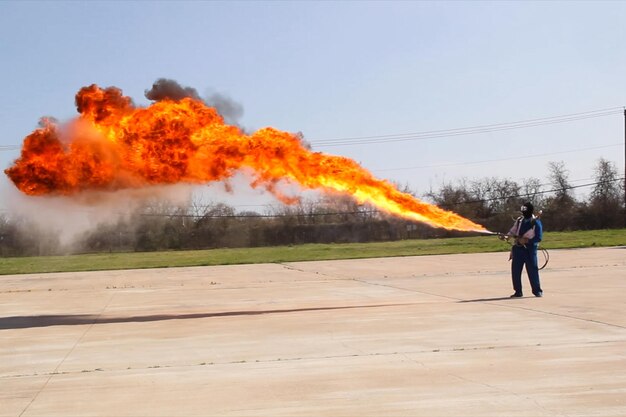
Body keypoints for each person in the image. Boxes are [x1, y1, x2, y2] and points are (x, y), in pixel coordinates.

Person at [507, 202, 543, 298]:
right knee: (515, 271)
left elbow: (538, 237)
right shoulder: (519, 221)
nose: (523, 213)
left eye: (525, 211)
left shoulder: (536, 222)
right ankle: (518, 291)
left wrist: (527, 240)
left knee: (532, 270)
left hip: (530, 250)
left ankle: (537, 291)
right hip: (518, 249)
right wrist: (507, 236)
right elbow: (513, 230)